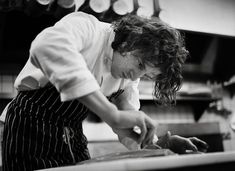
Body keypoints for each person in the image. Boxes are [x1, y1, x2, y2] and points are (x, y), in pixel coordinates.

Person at [1, 11, 207, 171]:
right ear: (130, 41)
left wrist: (160, 145)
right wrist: (110, 114)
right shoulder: (88, 28)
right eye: (141, 64)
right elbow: (45, 46)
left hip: (72, 135)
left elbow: (127, 123)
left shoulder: (126, 78)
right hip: (29, 125)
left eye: (146, 75)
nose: (136, 77)